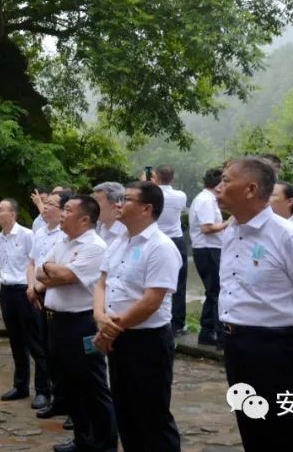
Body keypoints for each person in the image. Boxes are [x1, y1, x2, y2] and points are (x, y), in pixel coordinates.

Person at [216, 157, 293, 451]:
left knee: (291, 435)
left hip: (278, 349)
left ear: (251, 189)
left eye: (226, 181)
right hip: (237, 345)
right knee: (253, 428)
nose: (218, 187)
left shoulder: (291, 235)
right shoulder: (231, 231)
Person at [93, 181, 183, 452]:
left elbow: (151, 301)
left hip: (147, 341)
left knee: (152, 415)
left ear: (147, 208)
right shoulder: (119, 241)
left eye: (127, 199)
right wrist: (100, 316)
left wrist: (111, 329)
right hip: (118, 336)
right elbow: (102, 283)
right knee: (126, 412)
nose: (119, 204)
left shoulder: (161, 247)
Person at [36, 195, 116, 452]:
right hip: (56, 322)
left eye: (67, 210)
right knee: (69, 384)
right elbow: (41, 272)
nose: (61, 213)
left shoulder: (95, 246)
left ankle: (104, 444)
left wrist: (57, 272)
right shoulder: (62, 240)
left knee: (93, 385)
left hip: (83, 324)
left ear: (84, 218)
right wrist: (56, 271)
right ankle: (83, 439)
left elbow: (69, 275)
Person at [0, 198, 50, 408]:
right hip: (7, 291)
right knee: (16, 341)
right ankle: (21, 385)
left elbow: (33, 262)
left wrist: (32, 289)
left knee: (35, 341)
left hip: (25, 291)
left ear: (12, 214)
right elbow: (1, 267)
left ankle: (44, 389)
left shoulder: (27, 235)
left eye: (1, 209)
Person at [30, 190, 71, 425]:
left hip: (55, 296)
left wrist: (38, 287)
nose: (45, 207)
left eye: (51, 204)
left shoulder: (65, 237)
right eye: (44, 204)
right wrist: (32, 287)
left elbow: (59, 272)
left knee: (66, 356)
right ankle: (55, 398)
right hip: (39, 293)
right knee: (46, 348)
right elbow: (34, 263)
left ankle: (70, 404)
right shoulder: (40, 232)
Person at [189, 168, 229, 347]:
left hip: (208, 249)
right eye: (225, 182)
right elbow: (206, 228)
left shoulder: (208, 199)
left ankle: (206, 333)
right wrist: (228, 223)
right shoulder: (206, 200)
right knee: (217, 293)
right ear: (218, 184)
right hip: (208, 249)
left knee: (213, 292)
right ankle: (221, 337)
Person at [151, 165, 188, 335]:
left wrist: (148, 183)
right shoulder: (180, 196)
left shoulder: (151, 195)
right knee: (179, 284)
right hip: (176, 239)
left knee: (154, 283)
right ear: (172, 178)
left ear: (155, 176)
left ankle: (155, 318)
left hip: (155, 240)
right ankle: (178, 324)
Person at [92, 182, 126, 246]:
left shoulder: (126, 233)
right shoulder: (96, 227)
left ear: (114, 204)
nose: (92, 205)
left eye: (97, 201)